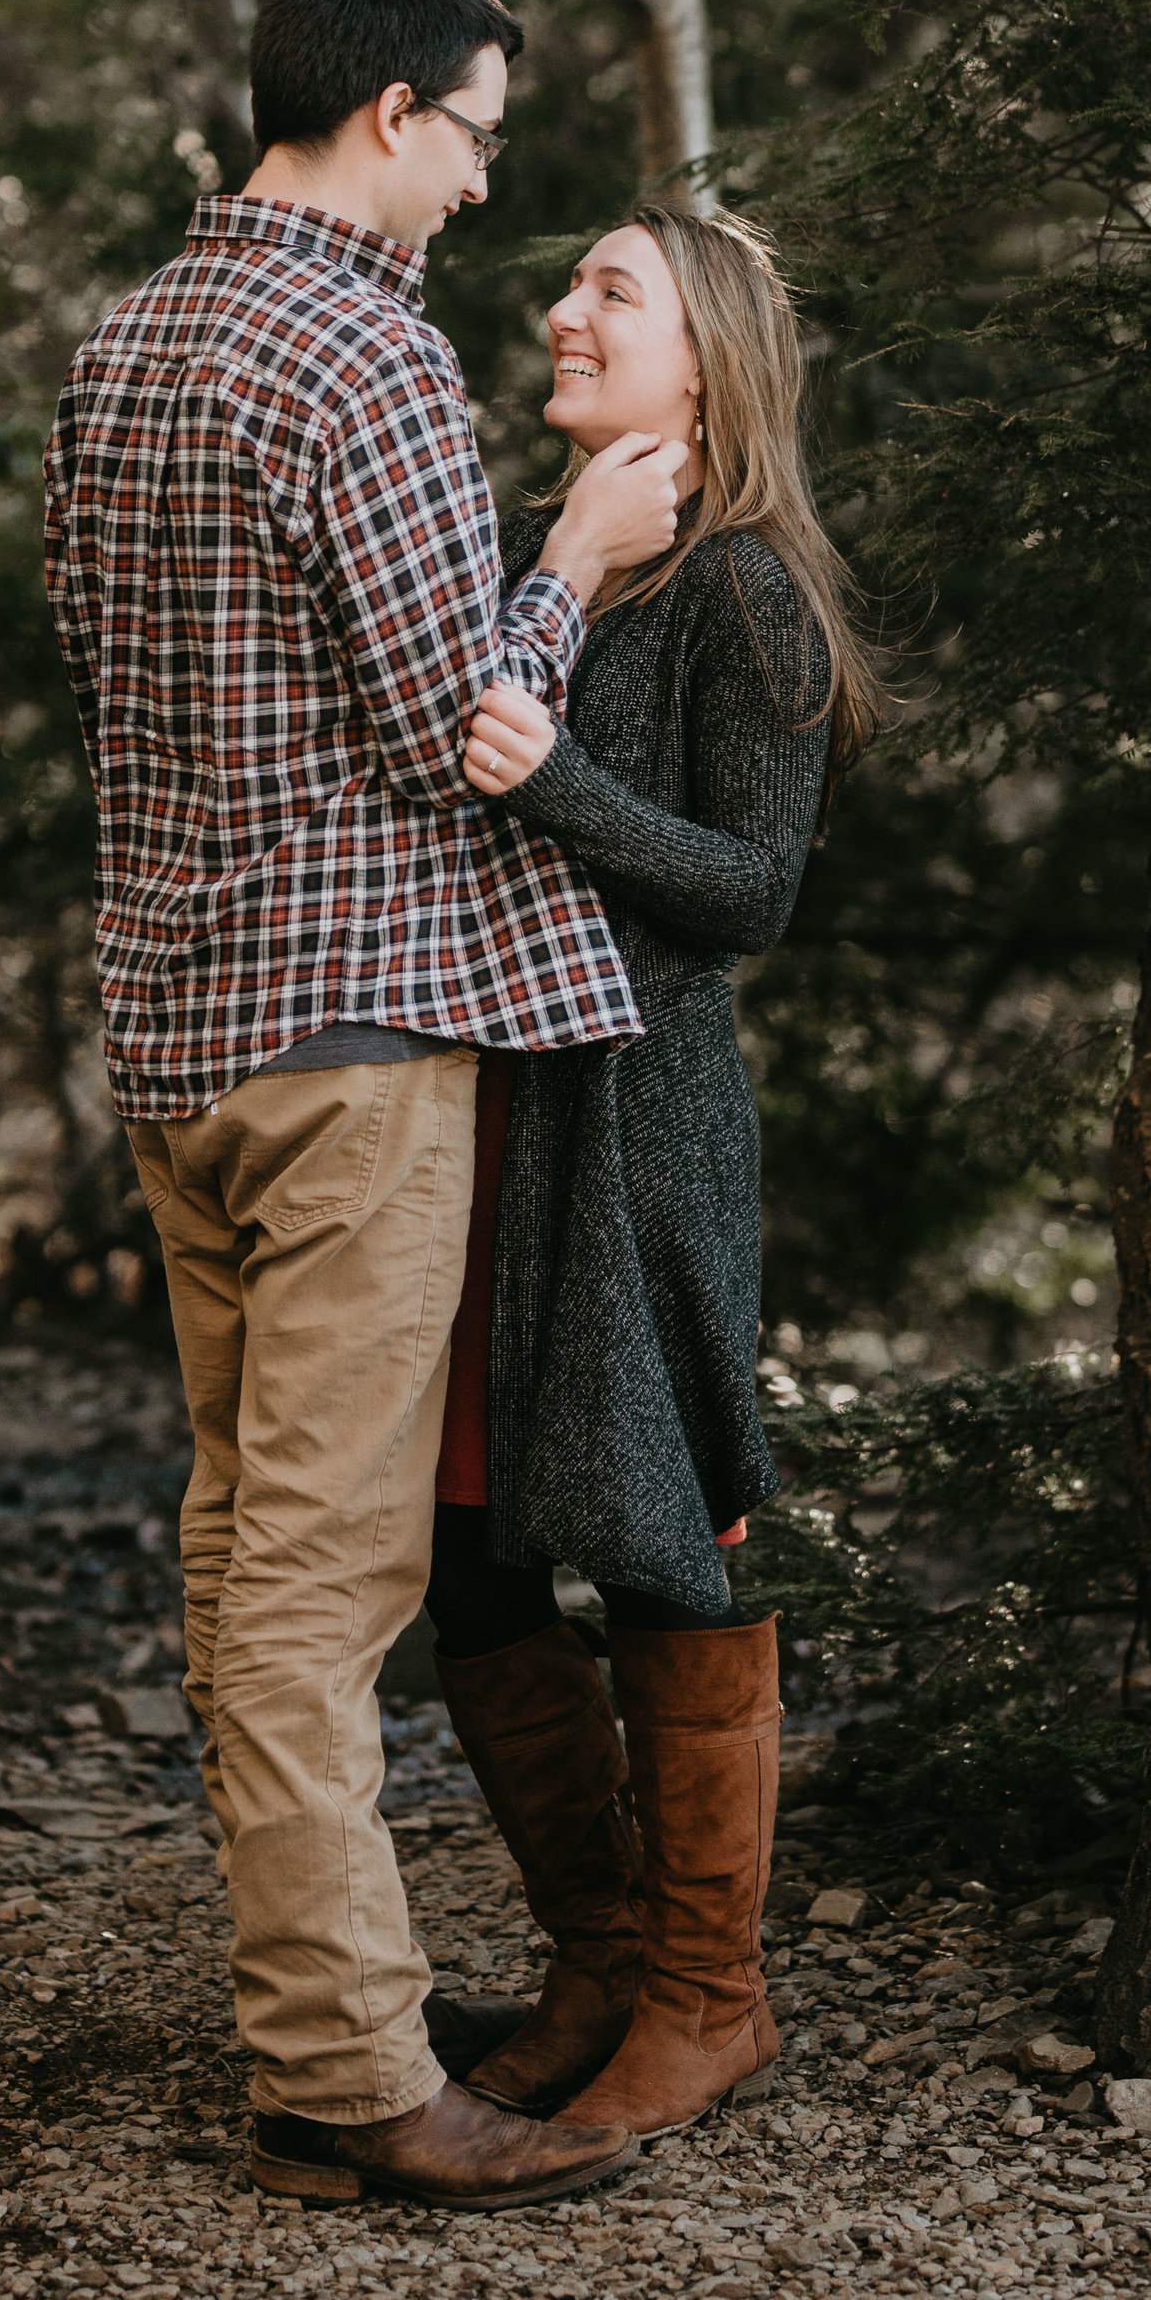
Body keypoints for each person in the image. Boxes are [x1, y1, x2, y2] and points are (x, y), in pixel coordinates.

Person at [43, 0, 689, 2213]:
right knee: (317, 1597)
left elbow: (118, 683)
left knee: (244, 1573)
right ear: (393, 117)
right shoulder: (368, 362)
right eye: (482, 141)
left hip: (179, 1049)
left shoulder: (123, 347)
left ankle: (311, 2011)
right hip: (349, 1067)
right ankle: (341, 2083)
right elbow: (457, 728)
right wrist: (583, 559)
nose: (486, 196)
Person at [431, 201, 884, 2141]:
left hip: (639, 1126)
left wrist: (548, 782)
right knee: (468, 1550)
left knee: (661, 1539)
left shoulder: (744, 588)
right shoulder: (581, 565)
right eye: (571, 280)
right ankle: (599, 1964)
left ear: (704, 355)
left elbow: (749, 892)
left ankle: (710, 1998)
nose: (559, 308)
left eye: (606, 289)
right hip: (491, 1117)